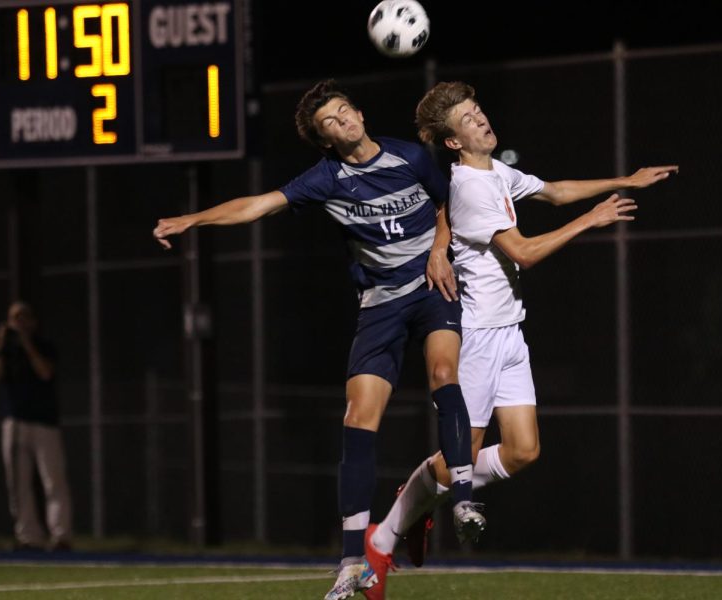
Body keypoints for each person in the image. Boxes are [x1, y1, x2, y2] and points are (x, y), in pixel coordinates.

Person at [152, 79, 483, 600]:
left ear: (361, 112)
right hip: (380, 306)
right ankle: (353, 562)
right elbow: (258, 205)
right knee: (358, 417)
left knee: (444, 371)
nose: (343, 120)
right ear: (326, 139)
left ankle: (464, 498)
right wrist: (193, 219)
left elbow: (450, 207)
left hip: (430, 290)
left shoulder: (411, 157)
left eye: (345, 109)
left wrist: (440, 250)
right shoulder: (326, 179)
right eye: (330, 120)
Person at [366, 81, 678, 571]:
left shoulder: (492, 172)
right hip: (479, 337)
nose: (481, 119)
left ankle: (426, 492)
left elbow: (553, 192)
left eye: (478, 110)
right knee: (453, 464)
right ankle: (384, 535)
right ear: (453, 142)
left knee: (523, 450)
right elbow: (524, 253)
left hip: (511, 331)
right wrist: (589, 220)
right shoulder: (470, 186)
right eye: (468, 120)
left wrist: (627, 180)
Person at [0, 300, 73, 552]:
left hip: (45, 422)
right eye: (15, 318)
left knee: (53, 479)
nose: (20, 322)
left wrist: (26, 343)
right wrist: (1, 344)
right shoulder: (5, 351)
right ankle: (29, 537)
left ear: (33, 321)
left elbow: (45, 372)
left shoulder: (44, 346)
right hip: (15, 422)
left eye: (25, 317)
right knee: (18, 483)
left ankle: (61, 535)